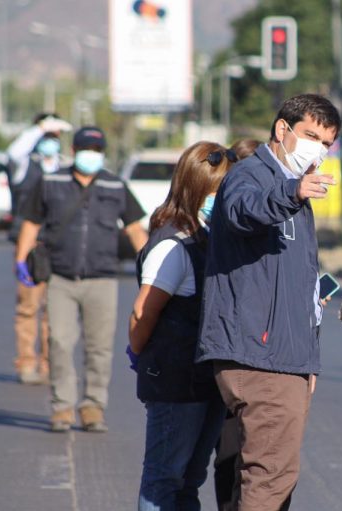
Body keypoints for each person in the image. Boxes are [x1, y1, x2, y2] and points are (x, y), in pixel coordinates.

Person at [196, 94, 341, 511]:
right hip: (261, 358)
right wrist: (291, 192)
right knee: (270, 478)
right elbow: (245, 211)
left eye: (327, 143)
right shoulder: (253, 177)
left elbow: (296, 286)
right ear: (283, 130)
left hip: (284, 359)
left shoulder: (291, 190)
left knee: (266, 478)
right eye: (311, 136)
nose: (319, 150)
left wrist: (307, 361)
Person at [14, 126, 148, 433]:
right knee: (59, 341)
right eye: (87, 149)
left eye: (98, 150)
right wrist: (22, 260)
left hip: (102, 278)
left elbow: (135, 229)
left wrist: (151, 264)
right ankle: (62, 407)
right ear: (74, 151)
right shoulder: (51, 182)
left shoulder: (115, 185)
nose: (92, 155)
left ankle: (92, 406)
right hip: (60, 277)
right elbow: (32, 223)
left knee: (99, 346)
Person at [128, 141, 235, 511]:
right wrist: (143, 355)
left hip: (204, 380)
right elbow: (143, 314)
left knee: (189, 480)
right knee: (164, 481)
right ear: (196, 188)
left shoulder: (208, 236)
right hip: (177, 382)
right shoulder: (174, 244)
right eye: (221, 190)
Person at [210, 138, 261, 511]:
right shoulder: (237, 212)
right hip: (237, 352)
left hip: (252, 351)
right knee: (238, 455)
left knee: (249, 457)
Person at [6, 113, 72, 384]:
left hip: (56, 244)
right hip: (30, 245)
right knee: (28, 305)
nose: (51, 141)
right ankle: (27, 362)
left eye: (55, 136)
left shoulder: (65, 167)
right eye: (48, 136)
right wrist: (38, 128)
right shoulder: (24, 164)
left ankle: (48, 363)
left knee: (54, 308)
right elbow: (14, 151)